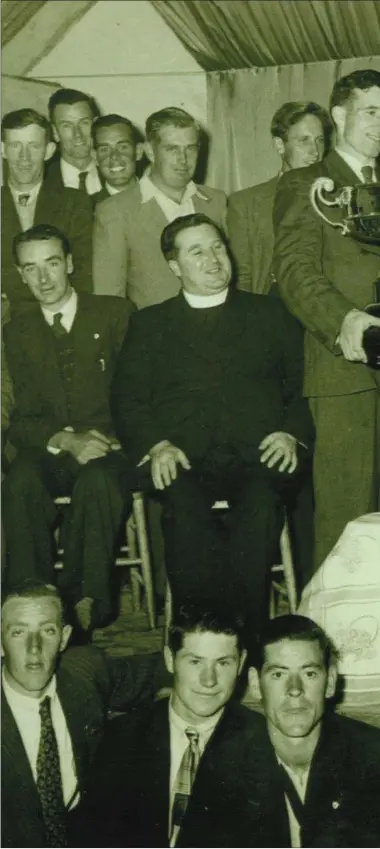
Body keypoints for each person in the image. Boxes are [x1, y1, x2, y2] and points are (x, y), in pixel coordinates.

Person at [111, 213, 314, 639]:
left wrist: (288, 433)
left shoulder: (270, 313)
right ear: (174, 266)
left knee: (260, 505)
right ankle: (197, 640)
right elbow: (128, 401)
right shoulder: (149, 324)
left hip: (260, 455)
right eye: (197, 251)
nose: (213, 258)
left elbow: (302, 389)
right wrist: (157, 445)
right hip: (183, 459)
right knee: (184, 513)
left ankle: (250, 639)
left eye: (218, 246)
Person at [3, 224, 135, 635]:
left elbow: (140, 393)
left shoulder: (115, 313)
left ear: (71, 264)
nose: (43, 278)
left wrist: (116, 440)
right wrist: (64, 439)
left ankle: (84, 605)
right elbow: (21, 418)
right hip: (53, 451)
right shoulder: (16, 333)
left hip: (110, 449)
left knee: (97, 481)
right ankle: (30, 601)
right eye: (31, 268)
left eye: (52, 264)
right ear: (20, 274)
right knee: (22, 478)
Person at [273, 69, 380, 567]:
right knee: (347, 520)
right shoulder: (305, 185)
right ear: (339, 115)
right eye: (371, 112)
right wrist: (345, 320)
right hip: (346, 373)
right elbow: (295, 271)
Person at [181, 614, 380, 847]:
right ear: (256, 685)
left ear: (331, 681)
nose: (294, 690)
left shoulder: (371, 757)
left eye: (309, 674)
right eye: (278, 674)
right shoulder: (224, 763)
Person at [86, 602, 267, 848]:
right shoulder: (124, 736)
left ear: (241, 663)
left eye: (223, 663)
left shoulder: (263, 741)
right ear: (170, 660)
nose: (209, 680)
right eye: (195, 662)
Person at [1, 581, 162, 848]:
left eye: (47, 631)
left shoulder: (83, 673)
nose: (34, 647)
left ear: (64, 638)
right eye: (18, 632)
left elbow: (159, 669)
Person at [93, 106, 227, 307]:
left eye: (190, 148)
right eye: (172, 149)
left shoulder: (216, 201)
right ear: (149, 151)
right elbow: (110, 302)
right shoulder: (115, 212)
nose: (183, 159)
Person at [228, 101, 330, 295]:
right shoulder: (245, 203)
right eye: (304, 140)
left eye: (320, 140)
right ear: (279, 145)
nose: (315, 151)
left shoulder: (337, 196)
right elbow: (242, 277)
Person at [1, 108, 93, 315]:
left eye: (33, 146)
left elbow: (83, 273)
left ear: (49, 150)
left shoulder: (74, 202)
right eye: (16, 146)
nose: (24, 157)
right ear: (2, 149)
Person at [45, 88, 103, 196]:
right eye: (67, 125)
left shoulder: (117, 174)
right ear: (55, 132)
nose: (77, 134)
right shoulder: (42, 184)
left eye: (84, 123)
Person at [91, 113, 144, 205]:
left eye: (123, 147)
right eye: (104, 149)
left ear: (138, 152)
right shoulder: (85, 211)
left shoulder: (162, 200)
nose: (114, 156)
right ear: (95, 157)